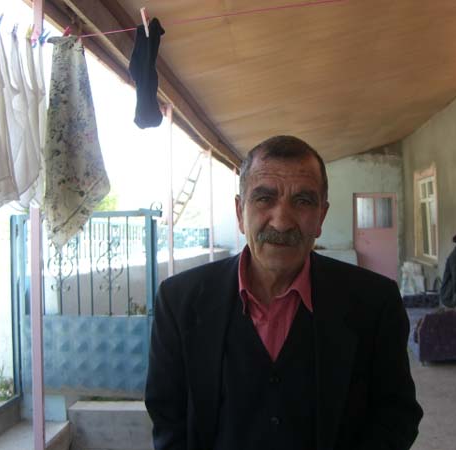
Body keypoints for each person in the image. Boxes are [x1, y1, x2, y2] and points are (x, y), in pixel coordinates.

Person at [145, 135, 423, 450]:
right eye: (264, 198)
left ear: (321, 216)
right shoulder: (179, 301)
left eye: (303, 201)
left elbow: (397, 414)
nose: (281, 222)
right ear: (239, 212)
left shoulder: (375, 301)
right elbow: (167, 415)